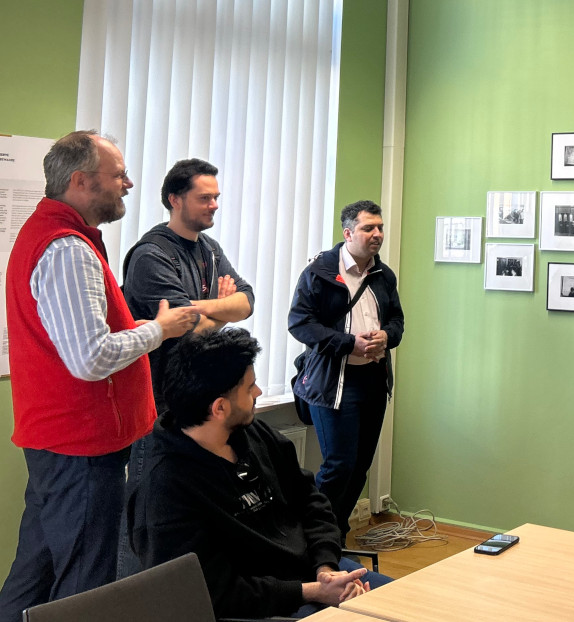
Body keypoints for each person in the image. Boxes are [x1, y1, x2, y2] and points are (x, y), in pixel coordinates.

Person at [0, 130, 199, 621]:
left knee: (36, 573)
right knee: (85, 587)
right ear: (81, 181)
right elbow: (90, 358)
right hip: (81, 447)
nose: (129, 184)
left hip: (59, 442)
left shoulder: (54, 235)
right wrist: (159, 328)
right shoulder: (67, 249)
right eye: (119, 176)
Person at [127, 329, 392, 618]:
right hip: (257, 607)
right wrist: (313, 591)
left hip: (311, 575)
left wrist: (326, 568)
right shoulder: (166, 488)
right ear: (220, 407)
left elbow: (312, 502)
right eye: (250, 387)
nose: (258, 393)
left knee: (405, 602)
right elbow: (211, 593)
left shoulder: (253, 433)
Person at [118, 157, 255, 577]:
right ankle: (132, 599)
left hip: (196, 405)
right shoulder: (150, 255)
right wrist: (217, 309)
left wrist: (206, 308)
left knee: (191, 511)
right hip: (157, 407)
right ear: (175, 199)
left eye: (216, 197)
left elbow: (246, 302)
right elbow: (191, 328)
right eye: (204, 197)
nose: (214, 205)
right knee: (145, 514)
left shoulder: (209, 249)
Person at [289, 200, 404, 542]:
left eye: (380, 227)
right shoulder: (320, 272)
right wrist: (347, 343)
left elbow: (397, 320)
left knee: (359, 469)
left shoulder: (383, 275)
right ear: (348, 232)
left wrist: (387, 337)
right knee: (338, 467)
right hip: (333, 384)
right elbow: (300, 323)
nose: (377, 234)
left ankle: (333, 538)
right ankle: (311, 541)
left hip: (373, 380)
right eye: (369, 228)